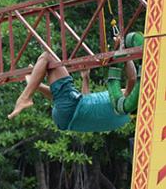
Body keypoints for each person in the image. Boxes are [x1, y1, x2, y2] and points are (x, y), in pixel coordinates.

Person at [7, 38, 137, 132]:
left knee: (47, 57)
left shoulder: (124, 103)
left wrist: (123, 50)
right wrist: (85, 78)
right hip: (65, 118)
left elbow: (132, 78)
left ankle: (25, 97)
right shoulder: (121, 119)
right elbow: (87, 103)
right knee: (62, 96)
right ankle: (36, 84)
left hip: (71, 108)